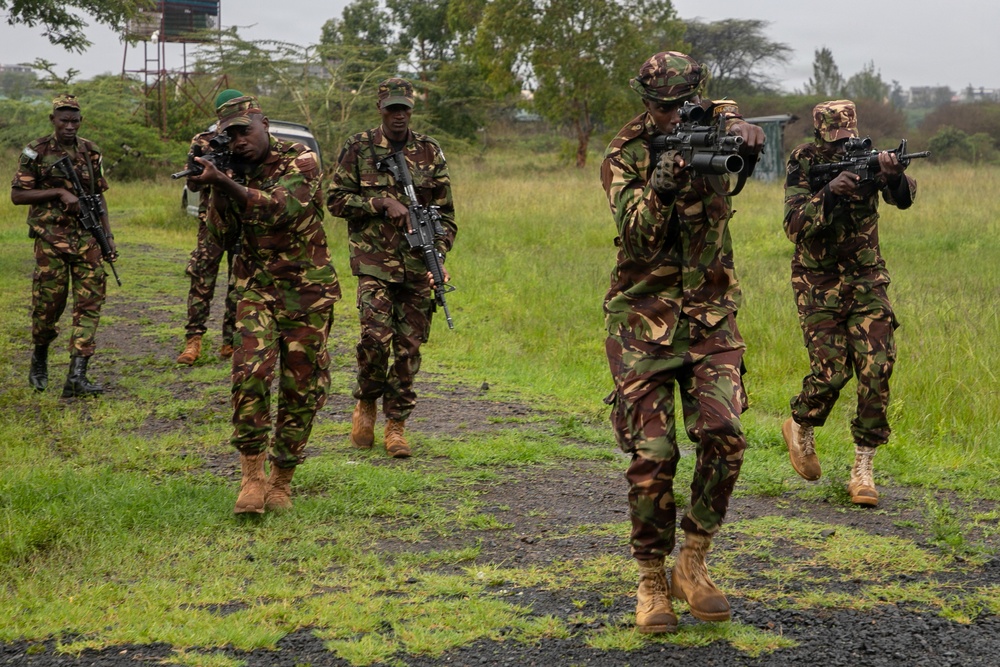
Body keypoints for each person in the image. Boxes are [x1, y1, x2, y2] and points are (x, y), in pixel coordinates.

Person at [600, 52, 764, 633]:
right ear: (645, 102)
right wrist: (661, 186)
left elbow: (748, 158)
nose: (672, 116)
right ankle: (650, 578)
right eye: (661, 107)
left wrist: (748, 138)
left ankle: (693, 559)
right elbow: (636, 235)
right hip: (643, 320)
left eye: (680, 103)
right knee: (653, 456)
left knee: (726, 436)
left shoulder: (718, 124)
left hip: (712, 317)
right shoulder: (625, 153)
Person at [187, 94, 341, 514]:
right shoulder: (232, 170)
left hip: (308, 291)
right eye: (230, 134)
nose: (239, 141)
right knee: (249, 374)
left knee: (302, 386)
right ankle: (252, 477)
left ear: (264, 124)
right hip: (256, 287)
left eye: (245, 130)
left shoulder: (301, 159)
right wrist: (209, 188)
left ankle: (282, 480)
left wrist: (225, 183)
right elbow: (218, 236)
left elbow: (281, 208)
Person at [781, 100, 915, 508]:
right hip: (817, 282)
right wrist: (830, 193)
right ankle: (800, 424)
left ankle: (863, 468)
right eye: (835, 135)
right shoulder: (804, 159)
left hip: (866, 280)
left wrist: (893, 177)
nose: (842, 143)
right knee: (831, 373)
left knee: (877, 369)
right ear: (820, 130)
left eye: (848, 135)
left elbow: (905, 199)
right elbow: (793, 225)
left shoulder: (870, 157)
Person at [327, 77, 457, 459]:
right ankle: (366, 401)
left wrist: (440, 258)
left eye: (404, 109)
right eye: (391, 109)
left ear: (411, 110)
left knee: (408, 349)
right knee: (374, 339)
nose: (398, 116)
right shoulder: (359, 147)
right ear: (380, 109)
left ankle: (396, 425)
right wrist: (380, 204)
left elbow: (447, 216)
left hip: (418, 266)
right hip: (374, 264)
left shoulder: (429, 152)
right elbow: (335, 200)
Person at [11, 93, 117, 398]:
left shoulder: (90, 151)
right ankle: (39, 358)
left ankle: (77, 376)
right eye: (63, 119)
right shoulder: (36, 151)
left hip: (87, 239)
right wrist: (58, 192)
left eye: (74, 120)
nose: (69, 125)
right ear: (53, 120)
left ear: (80, 120)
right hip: (51, 240)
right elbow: (18, 195)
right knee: (47, 307)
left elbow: (99, 197)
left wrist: (107, 237)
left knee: (90, 304)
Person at [175, 89, 244, 366]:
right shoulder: (204, 141)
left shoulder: (248, 139)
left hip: (243, 218)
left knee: (239, 282)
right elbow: (191, 184)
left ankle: (231, 341)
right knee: (202, 278)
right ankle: (193, 341)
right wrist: (207, 175)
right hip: (211, 221)